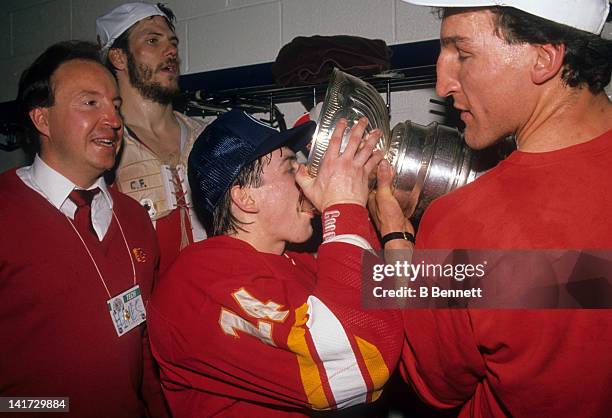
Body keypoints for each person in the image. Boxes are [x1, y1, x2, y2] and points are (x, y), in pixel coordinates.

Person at [375, 1, 612, 417]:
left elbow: (433, 386)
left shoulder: (463, 224)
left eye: (462, 54)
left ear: (544, 57)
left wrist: (397, 245)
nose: (442, 83)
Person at [147, 110, 404, 417]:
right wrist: (343, 206)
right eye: (289, 168)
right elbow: (358, 361)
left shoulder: (300, 264)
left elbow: (428, 307)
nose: (307, 177)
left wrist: (395, 233)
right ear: (245, 198)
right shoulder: (196, 280)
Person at [0, 41, 169, 418]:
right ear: (42, 119)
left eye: (115, 105)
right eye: (90, 103)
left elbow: (143, 343)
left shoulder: (135, 219)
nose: (112, 120)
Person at [96, 2, 211, 274]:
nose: (170, 51)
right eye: (152, 40)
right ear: (119, 58)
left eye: (172, 42)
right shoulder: (103, 148)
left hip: (213, 305)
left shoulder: (207, 136)